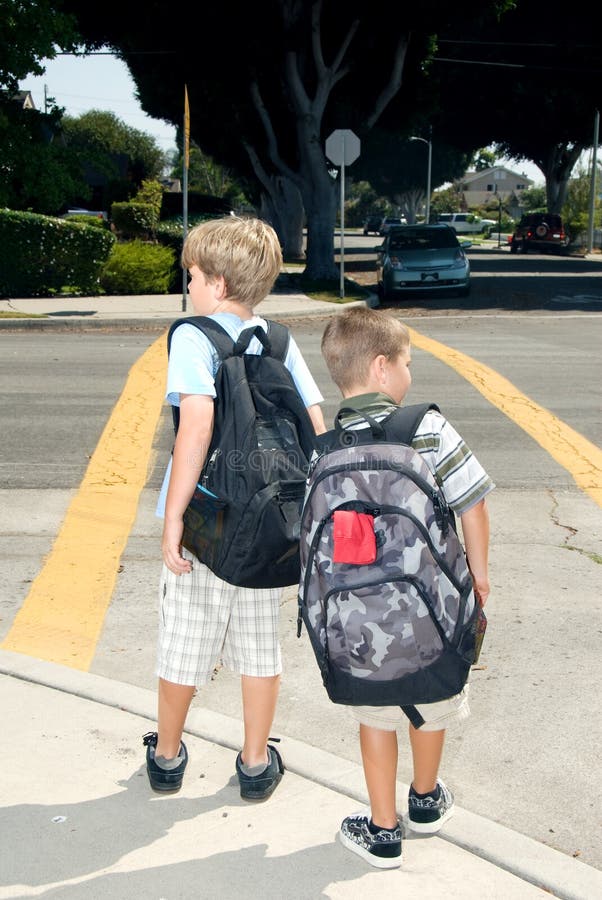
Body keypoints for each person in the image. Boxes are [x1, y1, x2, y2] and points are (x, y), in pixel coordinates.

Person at [143, 215, 326, 801]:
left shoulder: (193, 335)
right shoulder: (280, 340)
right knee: (258, 645)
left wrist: (174, 520)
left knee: (185, 641)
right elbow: (314, 425)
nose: (188, 287)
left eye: (191, 276)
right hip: (270, 520)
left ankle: (167, 757)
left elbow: (195, 426)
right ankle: (253, 764)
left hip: (208, 517)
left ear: (217, 283)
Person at [319, 306, 494, 868]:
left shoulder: (323, 449)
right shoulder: (426, 427)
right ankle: (424, 800)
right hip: (432, 607)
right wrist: (480, 575)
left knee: (376, 716)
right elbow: (472, 501)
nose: (410, 375)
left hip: (358, 622)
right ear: (381, 368)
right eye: (407, 363)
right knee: (432, 702)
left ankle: (382, 829)